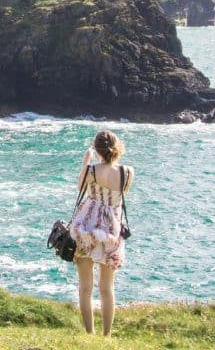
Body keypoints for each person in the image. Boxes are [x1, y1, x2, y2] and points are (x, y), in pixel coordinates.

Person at [69, 130, 134, 336]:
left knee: (85, 286)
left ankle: (90, 333)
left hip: (86, 228)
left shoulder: (92, 171)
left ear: (97, 149)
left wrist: (86, 162)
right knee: (107, 288)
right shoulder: (127, 172)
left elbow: (80, 187)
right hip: (111, 231)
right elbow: (123, 194)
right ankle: (106, 336)